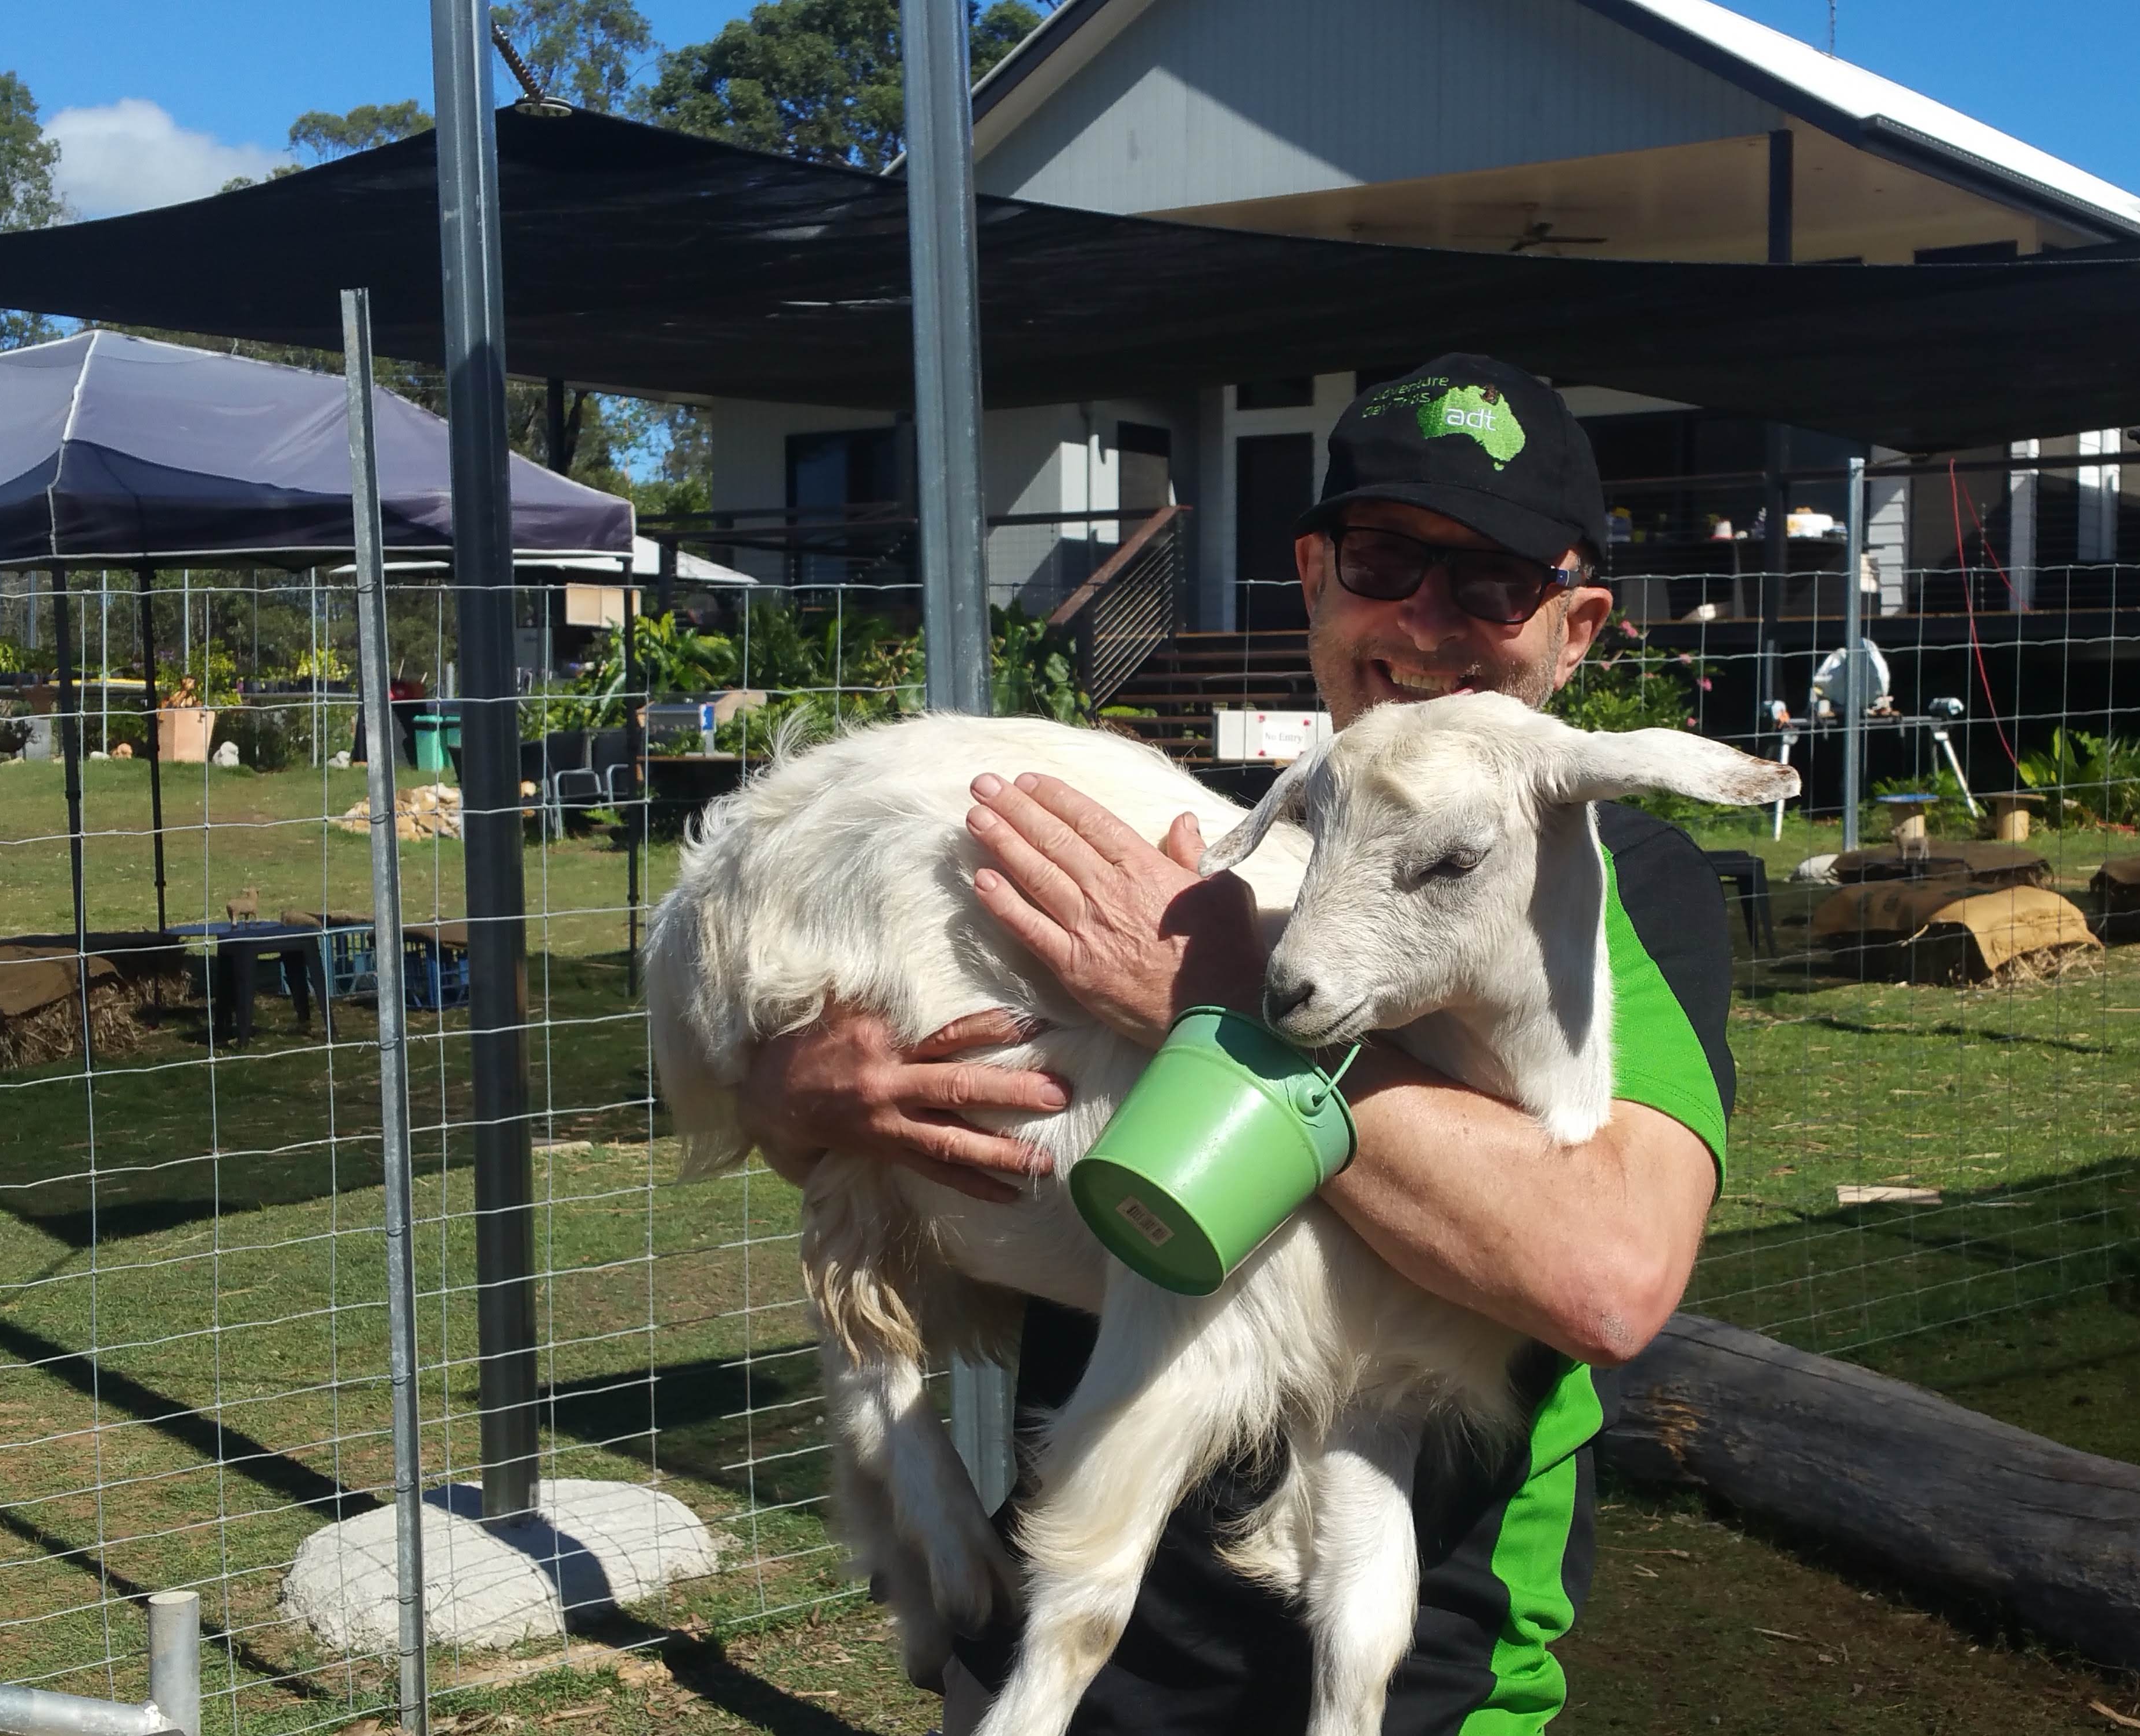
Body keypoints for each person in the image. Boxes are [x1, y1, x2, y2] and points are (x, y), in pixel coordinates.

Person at [737, 354, 1737, 1734]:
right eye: (1387, 558)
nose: (1429, 621)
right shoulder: (1187, 846)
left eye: (1494, 585)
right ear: (1315, 576)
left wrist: (1214, 1007)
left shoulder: (1621, 882)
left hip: (1409, 1681)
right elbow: (872, 1110)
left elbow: (1609, 1281)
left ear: (1574, 628)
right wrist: (804, 1096)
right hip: (1058, 1651)